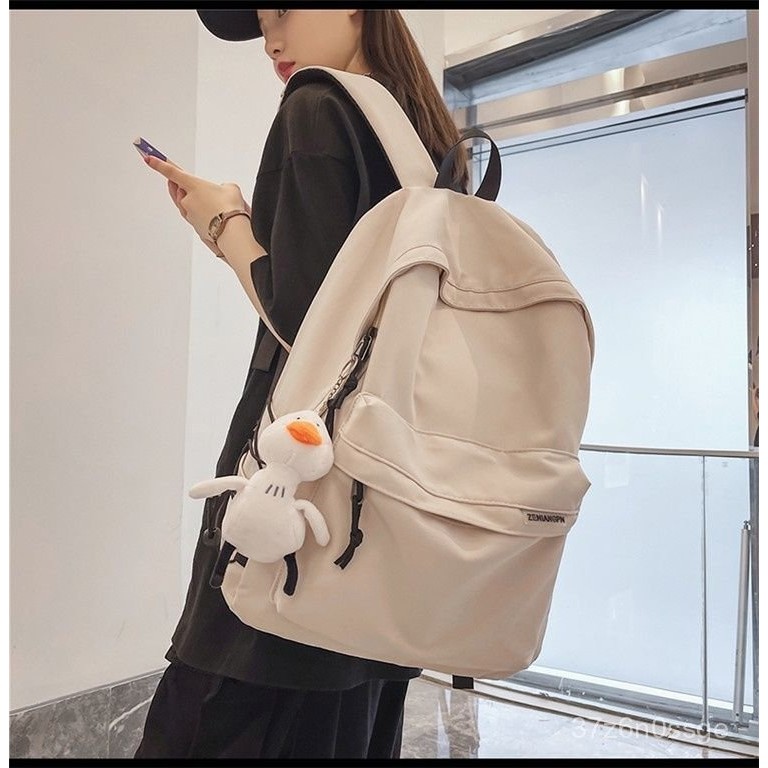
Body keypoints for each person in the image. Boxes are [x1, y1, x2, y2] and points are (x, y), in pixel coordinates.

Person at [134, 9, 469, 760]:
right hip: (387, 507)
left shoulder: (316, 107)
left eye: (281, 9)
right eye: (261, 22)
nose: (271, 40)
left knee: (216, 715)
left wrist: (224, 225)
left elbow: (308, 323)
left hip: (296, 494)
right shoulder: (429, 141)